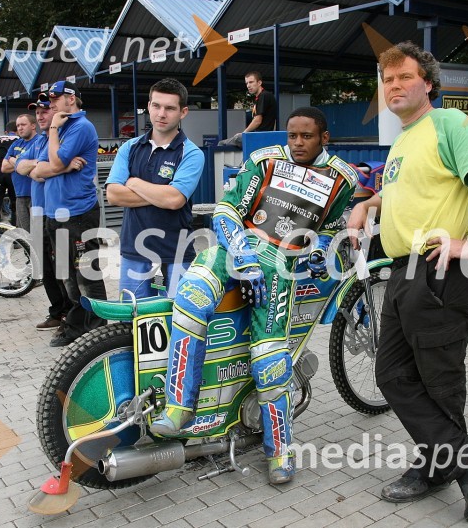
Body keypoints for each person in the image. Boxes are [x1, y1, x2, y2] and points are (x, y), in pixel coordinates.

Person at [346, 42, 468, 522]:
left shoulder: (449, 124)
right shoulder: (405, 138)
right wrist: (366, 205)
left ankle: (439, 466)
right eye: (387, 78)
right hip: (402, 271)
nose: (393, 86)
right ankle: (459, 461)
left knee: (439, 381)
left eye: (404, 77)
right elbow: (404, 191)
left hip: (438, 270)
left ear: (429, 84)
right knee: (393, 375)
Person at [150, 107, 357, 485]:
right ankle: (179, 409)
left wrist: (319, 249)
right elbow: (227, 210)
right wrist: (242, 254)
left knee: (269, 361)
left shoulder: (343, 178)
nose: (297, 143)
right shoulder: (264, 161)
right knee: (190, 298)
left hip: (280, 266)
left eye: (306, 136)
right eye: (292, 135)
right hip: (234, 250)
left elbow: (329, 226)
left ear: (324, 138)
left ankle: (280, 451)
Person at [105, 78, 204, 298]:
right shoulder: (129, 148)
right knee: (134, 322)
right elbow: (112, 195)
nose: (161, 114)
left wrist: (133, 183)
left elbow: (174, 200)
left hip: (176, 254)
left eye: (170, 108)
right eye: (156, 106)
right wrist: (161, 192)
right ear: (148, 106)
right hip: (134, 252)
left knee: (179, 324)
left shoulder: (191, 153)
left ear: (183, 112)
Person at [29, 80, 106, 347]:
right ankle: (77, 323)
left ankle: (96, 327)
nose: (51, 104)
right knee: (67, 274)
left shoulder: (79, 127)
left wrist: (52, 132)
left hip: (77, 213)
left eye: (55, 99)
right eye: (50, 99)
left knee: (86, 273)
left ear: (70, 99)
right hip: (56, 213)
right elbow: (37, 170)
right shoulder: (63, 128)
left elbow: (54, 162)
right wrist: (60, 165)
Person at [17, 97, 74, 331]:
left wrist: (43, 169)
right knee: (46, 267)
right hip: (38, 212)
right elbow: (20, 167)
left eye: (44, 111)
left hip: (58, 212)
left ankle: (71, 314)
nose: (40, 116)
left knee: (62, 267)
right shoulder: (39, 141)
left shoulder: (61, 138)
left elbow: (50, 168)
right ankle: (57, 311)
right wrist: (39, 169)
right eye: (37, 113)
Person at [218, 71, 277, 147]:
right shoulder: (260, 97)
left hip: (260, 137)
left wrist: (244, 133)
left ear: (259, 83)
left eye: (251, 82)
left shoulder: (264, 95)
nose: (248, 85)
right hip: (260, 136)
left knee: (222, 143)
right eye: (247, 83)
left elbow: (257, 120)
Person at [1, 114, 39, 233]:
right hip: (20, 195)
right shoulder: (16, 143)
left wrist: (13, 160)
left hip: (36, 195)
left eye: (23, 124)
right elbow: (3, 167)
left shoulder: (39, 142)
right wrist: (23, 164)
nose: (20, 128)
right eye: (18, 126)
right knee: (24, 235)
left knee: (38, 235)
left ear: (33, 126)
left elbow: (37, 164)